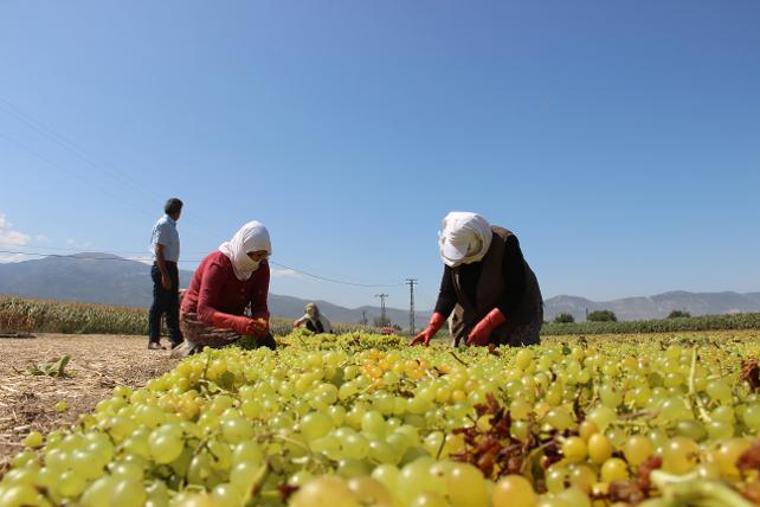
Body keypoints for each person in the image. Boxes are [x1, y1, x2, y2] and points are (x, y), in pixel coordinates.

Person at [411, 212, 543, 348]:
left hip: (515, 308)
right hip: (474, 311)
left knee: (514, 346)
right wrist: (431, 328)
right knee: (466, 347)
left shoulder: (504, 242)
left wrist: (488, 323)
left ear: (478, 241)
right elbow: (448, 293)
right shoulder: (452, 251)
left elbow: (515, 291)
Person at [178, 221, 276, 355]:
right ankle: (192, 345)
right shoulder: (218, 264)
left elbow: (259, 305)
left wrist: (262, 320)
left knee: (264, 342)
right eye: (256, 255)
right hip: (197, 316)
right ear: (243, 249)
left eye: (263, 256)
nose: (259, 261)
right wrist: (239, 323)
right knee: (236, 342)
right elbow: (204, 311)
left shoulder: (262, 267)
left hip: (230, 316)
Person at [148, 198, 184, 350]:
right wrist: (164, 274)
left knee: (172, 305)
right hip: (164, 266)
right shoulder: (164, 224)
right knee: (159, 305)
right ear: (177, 211)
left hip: (171, 267)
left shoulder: (171, 226)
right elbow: (158, 250)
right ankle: (153, 340)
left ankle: (176, 340)